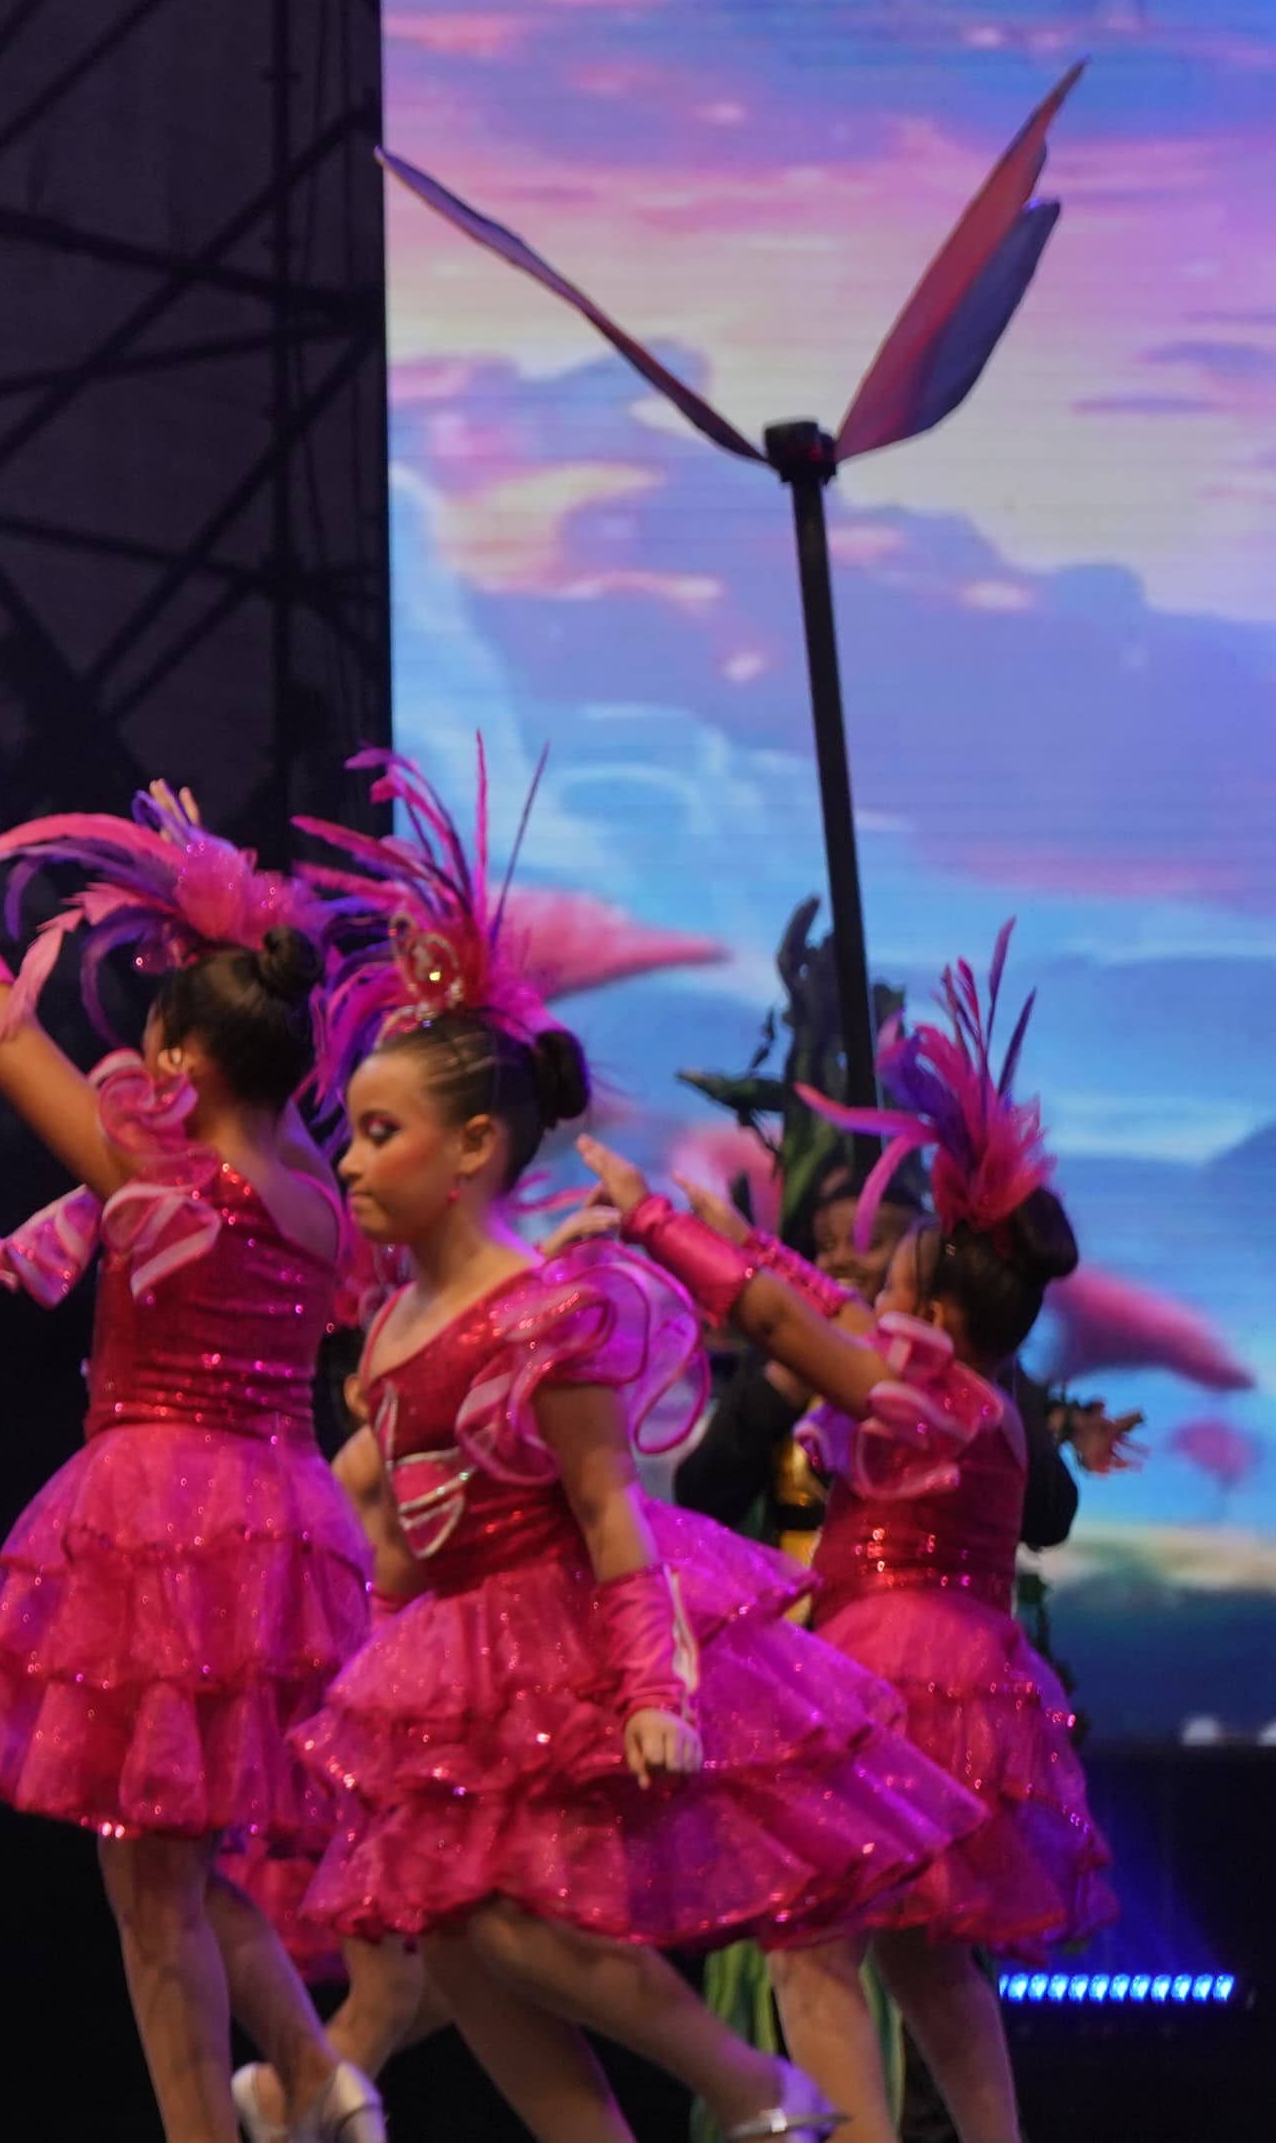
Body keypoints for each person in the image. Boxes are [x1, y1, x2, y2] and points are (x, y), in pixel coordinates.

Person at [290, 749, 976, 2143]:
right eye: (349, 1135)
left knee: (512, 1920)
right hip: (447, 1659)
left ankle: (756, 2087)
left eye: (379, 1134)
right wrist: (373, 1673)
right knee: (461, 1940)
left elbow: (610, 1513)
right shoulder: (390, 1329)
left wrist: (653, 1687)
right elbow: (401, 1528)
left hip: (567, 1641)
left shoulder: (549, 1310)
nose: (351, 1162)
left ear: (476, 1145)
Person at [0, 791, 387, 2143]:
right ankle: (311, 2071)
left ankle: (246, 2108)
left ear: (178, 1048)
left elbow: (4, 1039)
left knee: (151, 1875)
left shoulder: (157, 1167)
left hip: (161, 1514)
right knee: (169, 1848)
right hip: (278, 1521)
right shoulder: (319, 1199)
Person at [592, 938, 1117, 2143]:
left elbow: (778, 1311)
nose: (866, 1280)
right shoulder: (981, 1397)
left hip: (882, 1675)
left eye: (891, 1270)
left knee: (808, 1937)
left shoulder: (923, 1388)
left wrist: (653, 1219)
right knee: (922, 1960)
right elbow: (804, 1293)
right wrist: (730, 1242)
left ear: (930, 1315)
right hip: (953, 1673)